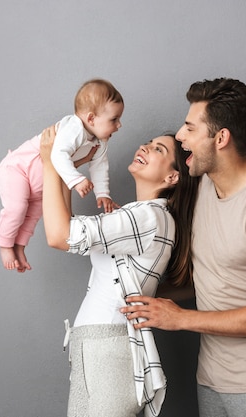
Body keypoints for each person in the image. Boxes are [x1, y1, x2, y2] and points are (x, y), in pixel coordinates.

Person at [120, 78, 246, 417]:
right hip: (210, 379)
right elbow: (204, 278)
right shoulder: (201, 188)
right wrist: (141, 295)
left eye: (190, 128)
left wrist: (179, 319)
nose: (179, 135)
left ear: (221, 139)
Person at [40, 125, 199, 417]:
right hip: (103, 347)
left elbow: (59, 235)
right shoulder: (145, 216)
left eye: (158, 149)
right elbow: (67, 225)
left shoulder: (147, 217)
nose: (146, 147)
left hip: (107, 349)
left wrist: (50, 164)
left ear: (172, 177)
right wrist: (64, 168)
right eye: (149, 142)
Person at [0, 79, 124, 272]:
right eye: (114, 119)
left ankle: (20, 247)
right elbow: (57, 154)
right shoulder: (74, 128)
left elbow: (99, 167)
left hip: (43, 184)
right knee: (17, 208)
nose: (119, 125)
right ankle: (5, 245)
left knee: (33, 215)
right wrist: (76, 180)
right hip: (19, 169)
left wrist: (102, 194)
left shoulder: (100, 142)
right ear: (91, 119)